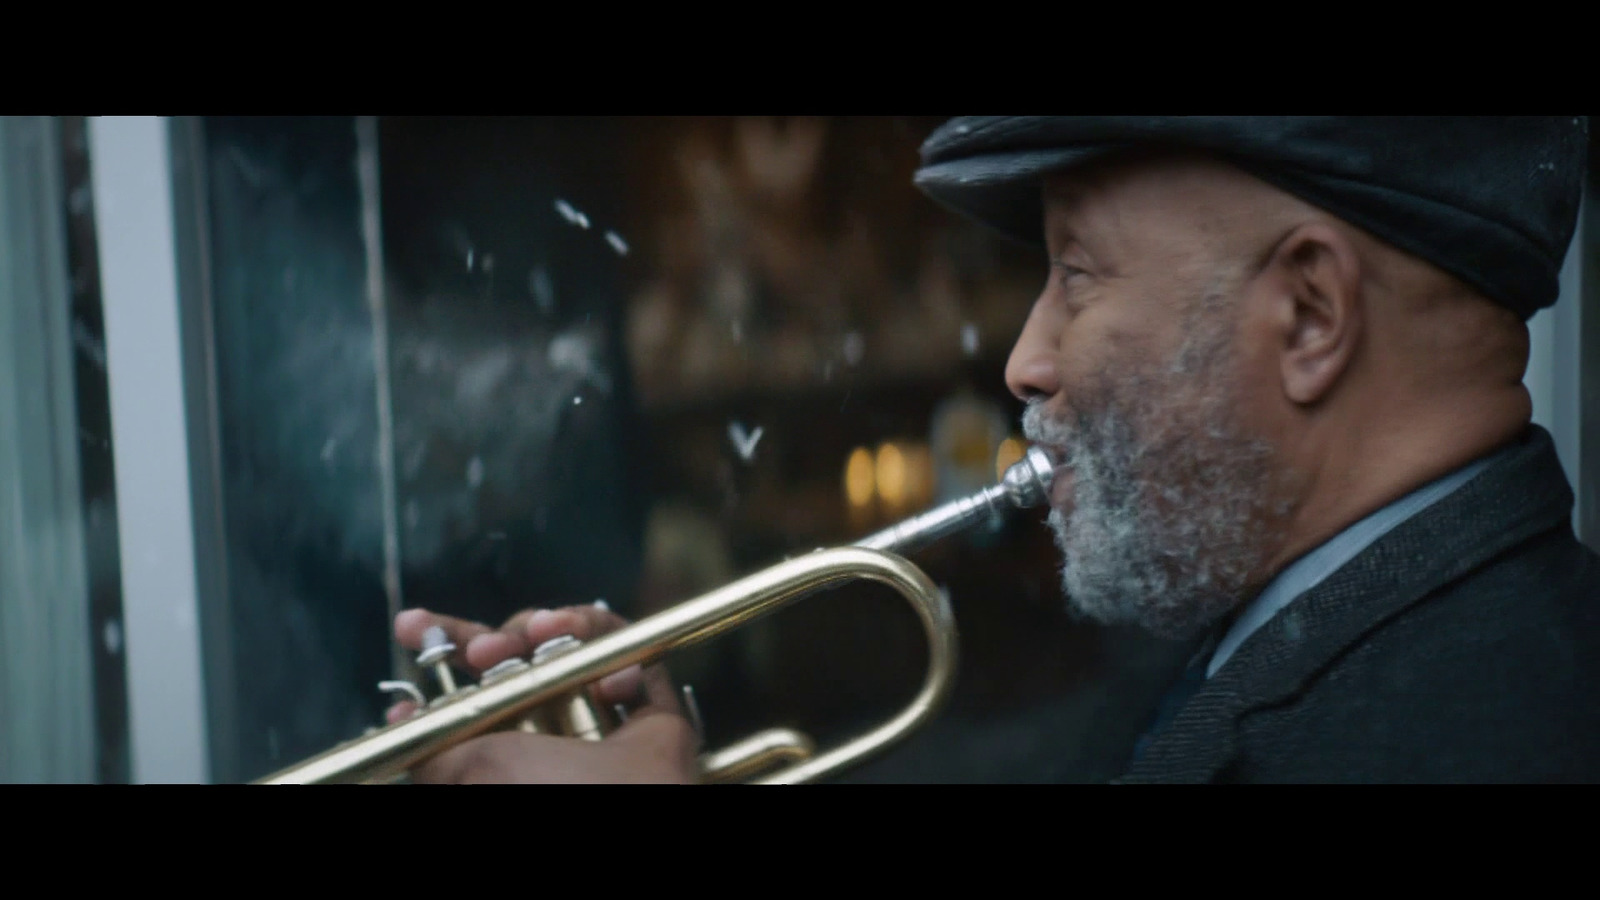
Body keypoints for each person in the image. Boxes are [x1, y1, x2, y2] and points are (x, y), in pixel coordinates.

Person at [383, 116, 1600, 783]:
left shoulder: (1474, 734)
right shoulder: (1300, 638)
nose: (1026, 361)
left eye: (1076, 273)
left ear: (1310, 316)